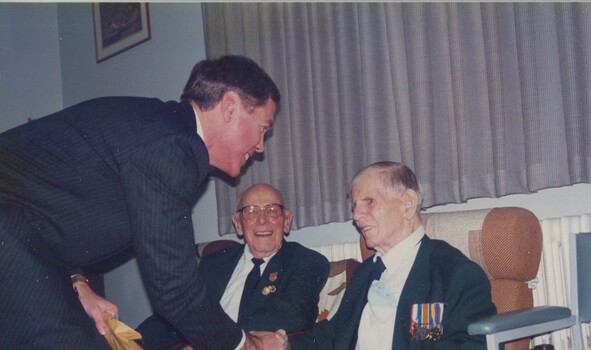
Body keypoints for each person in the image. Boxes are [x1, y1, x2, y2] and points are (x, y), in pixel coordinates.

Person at [0, 55, 289, 349]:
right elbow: (174, 288)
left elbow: (49, 210)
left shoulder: (161, 131)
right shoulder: (172, 147)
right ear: (229, 107)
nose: (260, 147)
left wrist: (78, 283)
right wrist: (247, 346)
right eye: (262, 129)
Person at [287, 161, 496, 349]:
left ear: (407, 203)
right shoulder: (365, 273)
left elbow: (474, 344)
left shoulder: (453, 273)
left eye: (368, 201)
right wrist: (283, 344)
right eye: (354, 206)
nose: (356, 216)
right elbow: (335, 334)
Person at [136, 183, 330, 350]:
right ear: (238, 224)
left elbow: (290, 316)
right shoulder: (213, 263)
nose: (262, 220)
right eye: (251, 211)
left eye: (271, 210)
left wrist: (208, 343)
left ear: (286, 220)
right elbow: (179, 313)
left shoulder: (306, 261)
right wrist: (132, 340)